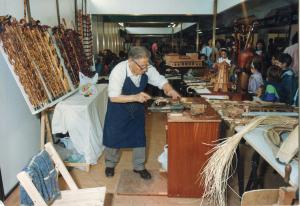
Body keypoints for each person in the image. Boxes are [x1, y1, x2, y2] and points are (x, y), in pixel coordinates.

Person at [102, 46, 180, 180]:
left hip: (136, 110)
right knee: (113, 137)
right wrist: (135, 97)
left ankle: (139, 166)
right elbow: (113, 97)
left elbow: (160, 80)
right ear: (131, 61)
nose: (145, 69)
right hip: (118, 109)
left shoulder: (146, 66)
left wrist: (170, 90)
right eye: (142, 66)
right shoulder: (119, 71)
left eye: (146, 65)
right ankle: (110, 164)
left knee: (139, 138)